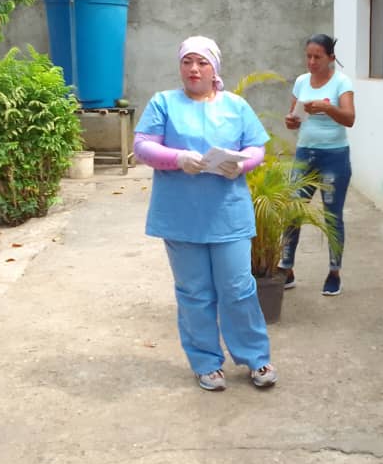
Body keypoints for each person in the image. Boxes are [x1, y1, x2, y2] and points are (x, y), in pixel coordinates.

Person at [133, 36, 276, 392]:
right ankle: (206, 362)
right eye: (187, 62)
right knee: (193, 292)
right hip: (180, 215)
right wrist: (176, 158)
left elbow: (256, 146)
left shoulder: (236, 105)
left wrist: (242, 165)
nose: (194, 69)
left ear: (215, 68)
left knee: (239, 288)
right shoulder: (163, 103)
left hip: (227, 213)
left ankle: (255, 357)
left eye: (202, 62)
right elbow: (142, 146)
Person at [279, 34, 355, 296]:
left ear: (330, 58)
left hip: (334, 156)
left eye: (317, 57)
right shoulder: (301, 81)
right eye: (308, 56)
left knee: (332, 216)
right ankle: (286, 267)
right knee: (293, 211)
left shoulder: (341, 82)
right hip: (305, 154)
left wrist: (325, 108)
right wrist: (292, 120)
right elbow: (294, 115)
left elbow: (349, 118)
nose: (311, 62)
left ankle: (334, 272)